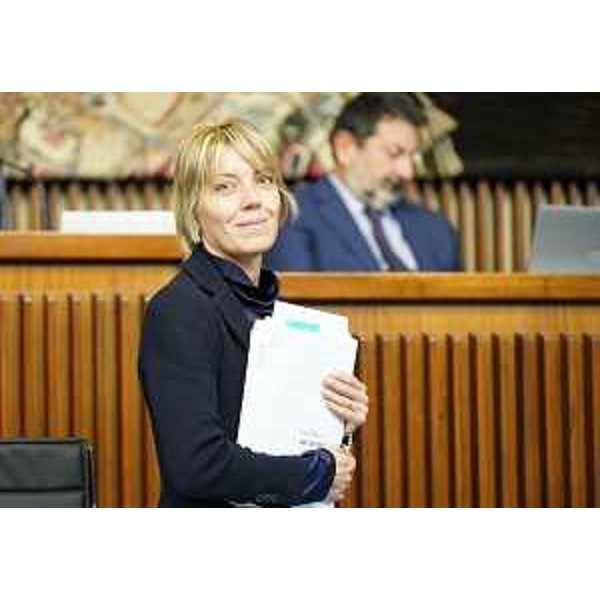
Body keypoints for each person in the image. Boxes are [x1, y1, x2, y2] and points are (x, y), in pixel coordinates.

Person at [138, 119, 369, 507]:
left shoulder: (278, 314)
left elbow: (291, 443)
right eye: (225, 187)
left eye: (263, 180)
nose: (252, 200)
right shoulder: (178, 310)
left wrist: (341, 421)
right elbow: (196, 466)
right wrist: (316, 474)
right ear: (194, 210)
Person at [266, 93, 461, 272]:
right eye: (395, 153)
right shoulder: (292, 217)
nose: (408, 172)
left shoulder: (437, 230)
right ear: (345, 148)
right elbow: (297, 298)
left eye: (412, 157)